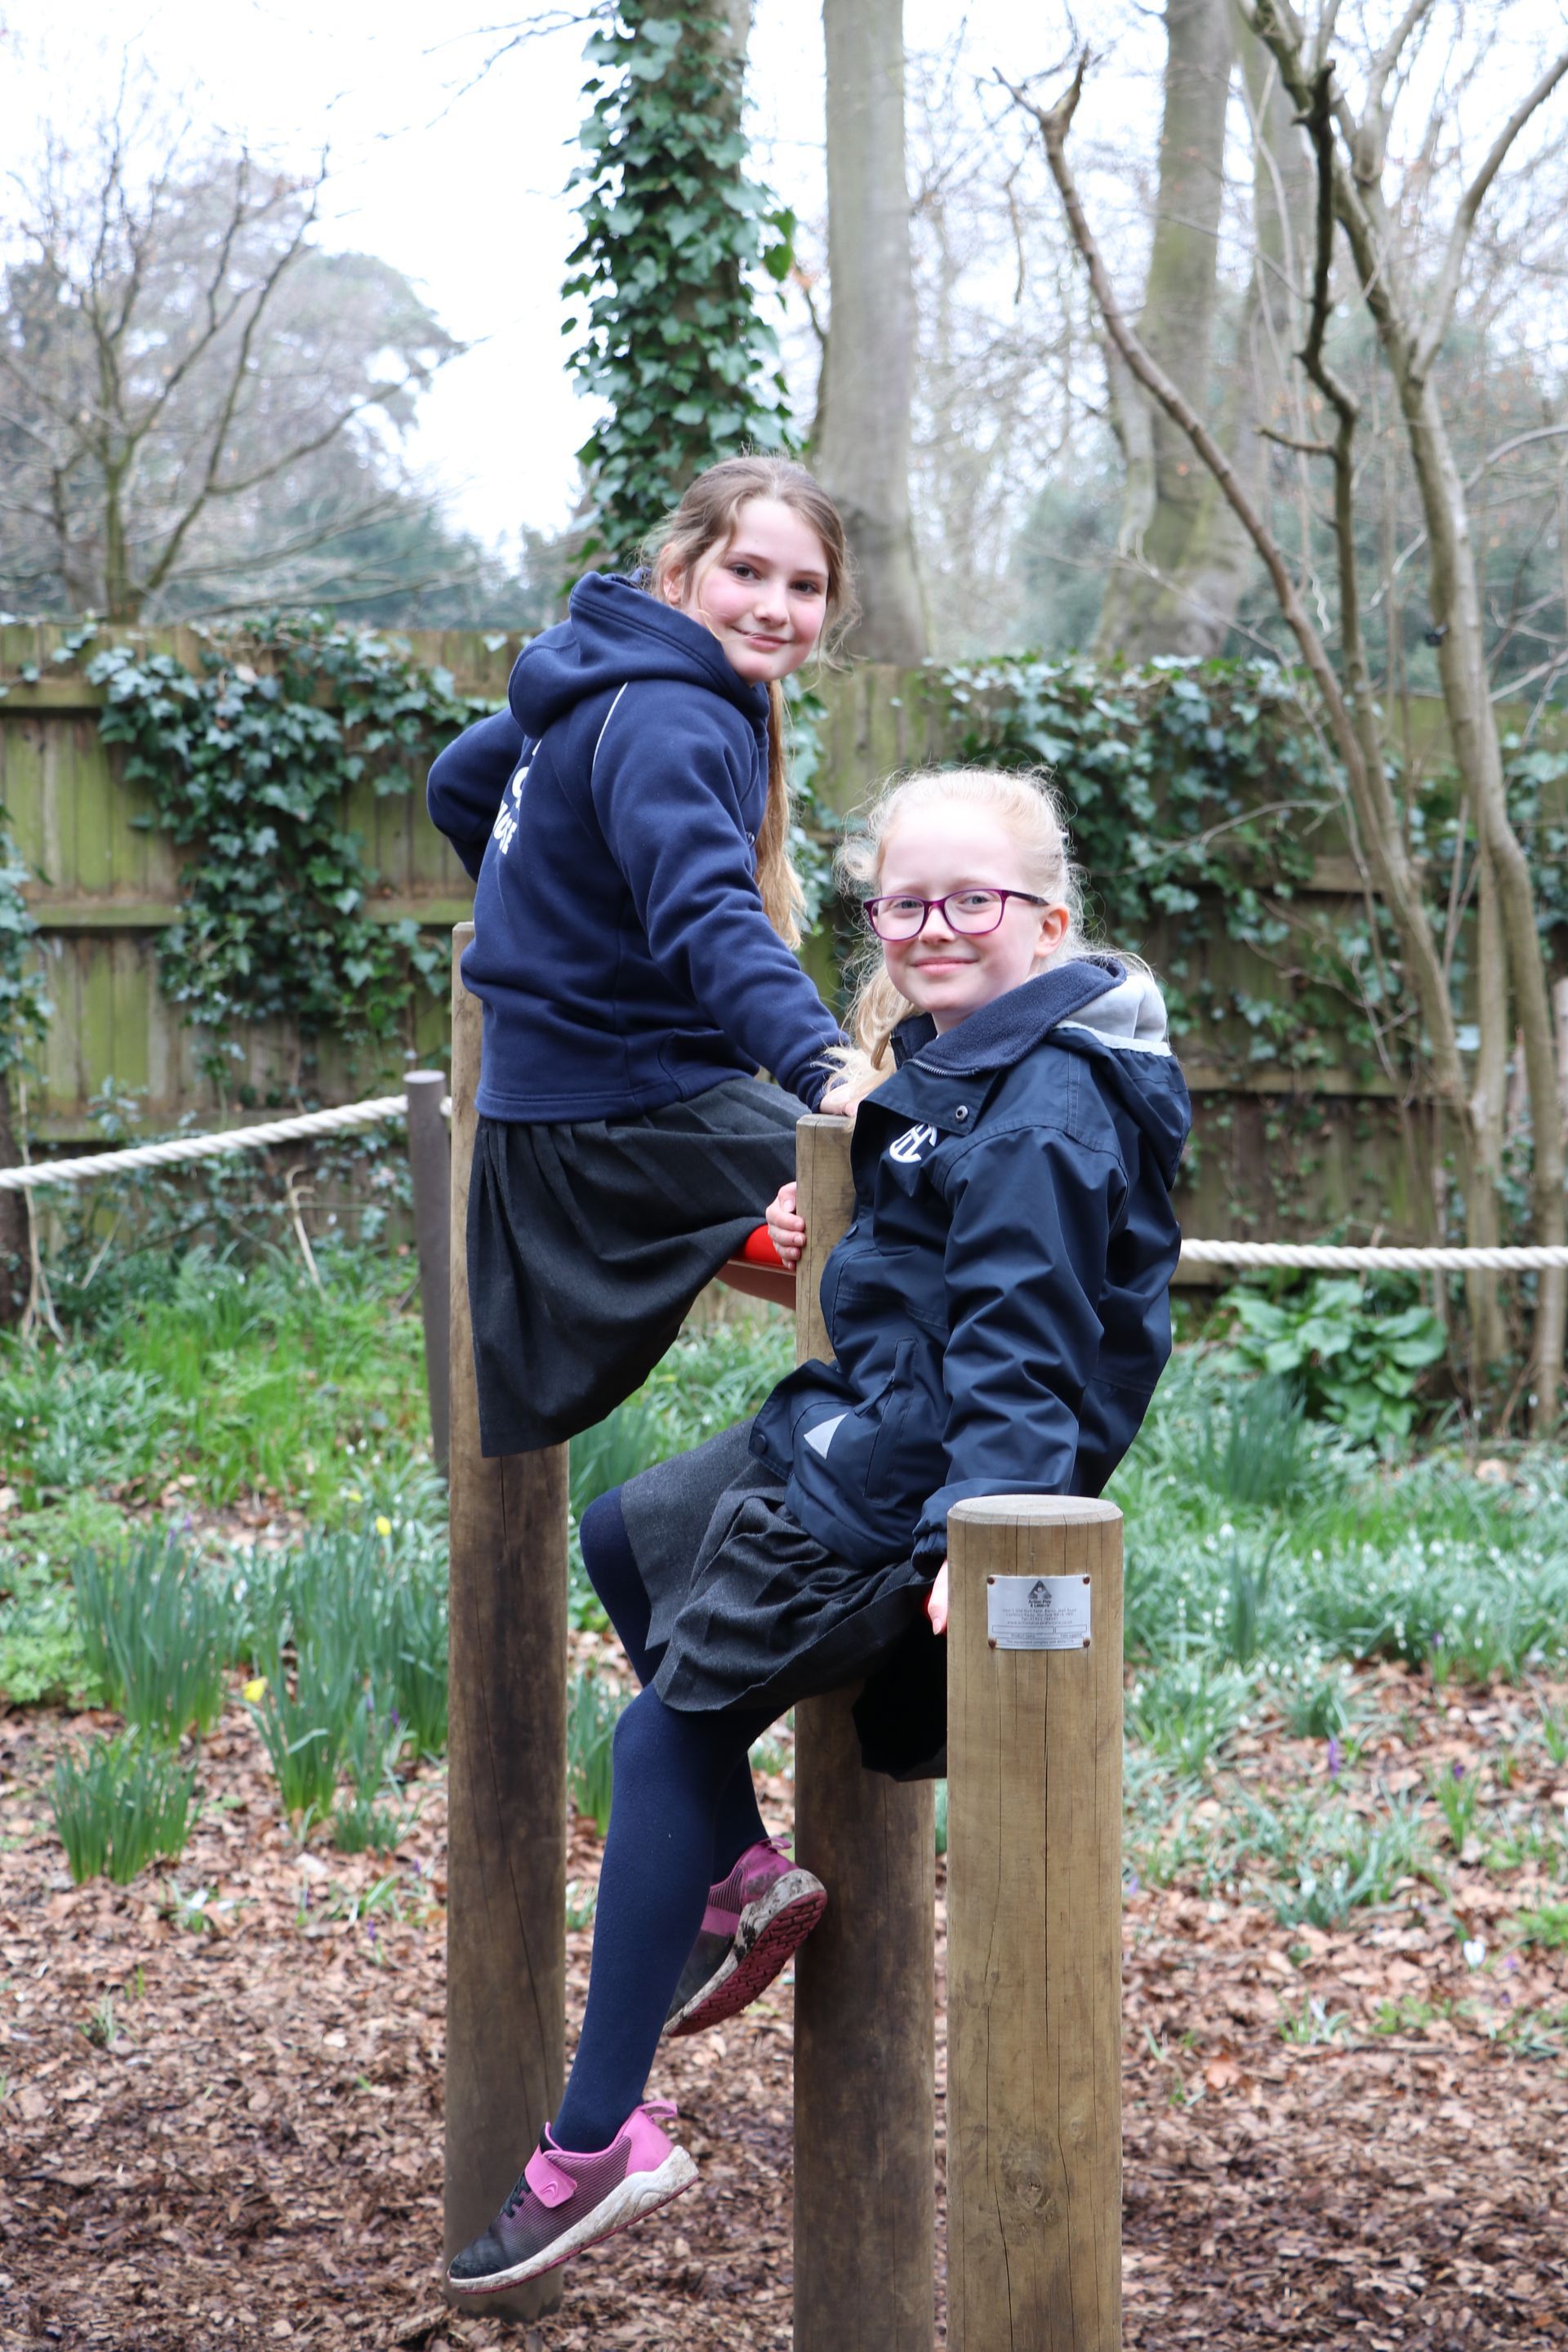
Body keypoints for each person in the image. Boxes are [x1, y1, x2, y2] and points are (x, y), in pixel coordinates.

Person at [446, 766, 1192, 2296]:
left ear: (1049, 917)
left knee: (661, 1737)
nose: (933, 926)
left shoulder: (1049, 1105)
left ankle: (597, 2146)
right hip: (866, 1411)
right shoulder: (962, 1051)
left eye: (972, 900)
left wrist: (962, 1543)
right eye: (904, 900)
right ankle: (743, 1874)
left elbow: (1031, 1347)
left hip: (922, 1476)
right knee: (622, 1530)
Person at [426, 456, 853, 1458]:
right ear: (678, 575)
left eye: (805, 587)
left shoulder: (611, 674)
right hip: (615, 1125)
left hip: (560, 1111)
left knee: (858, 1209)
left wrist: (555, 919)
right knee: (908, 1199)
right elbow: (710, 916)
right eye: (746, 572)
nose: (774, 606)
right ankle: (804, 1520)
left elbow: (456, 785)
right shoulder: (671, 711)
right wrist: (832, 1071)